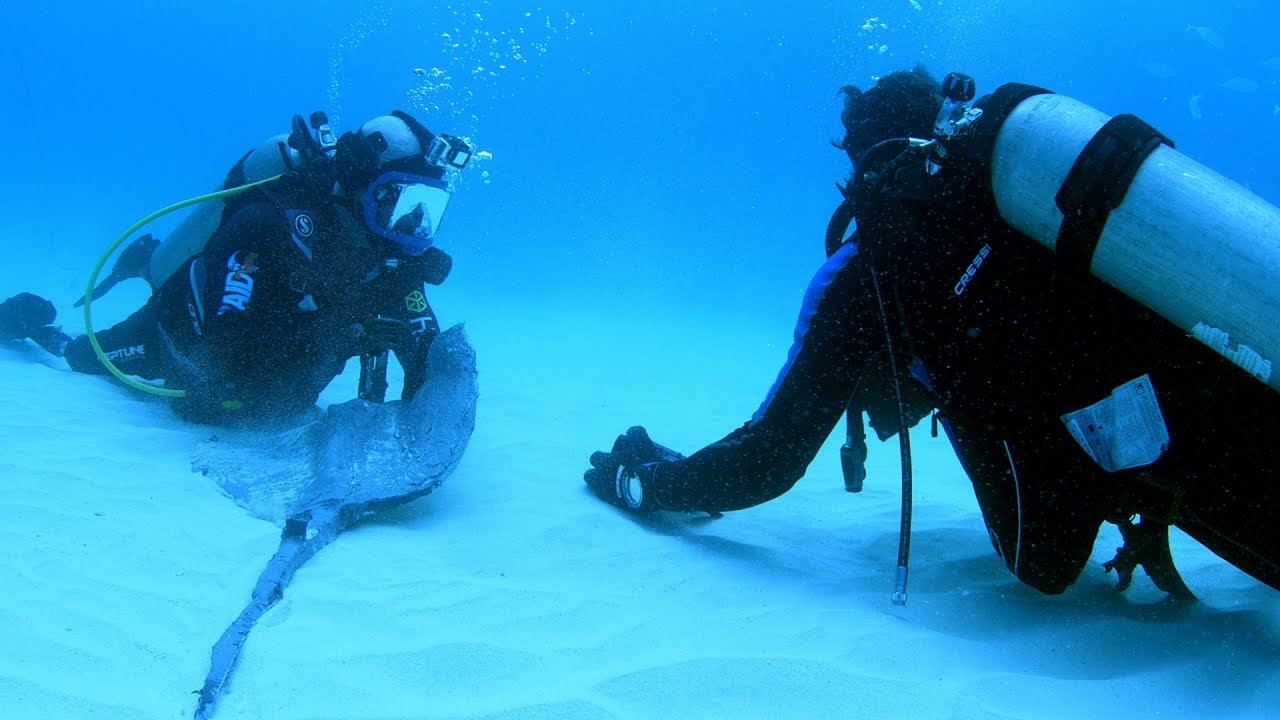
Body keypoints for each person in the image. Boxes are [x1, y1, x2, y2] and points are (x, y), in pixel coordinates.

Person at [583, 67, 1280, 599]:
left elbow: (773, 454)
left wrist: (646, 486)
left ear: (858, 160)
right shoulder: (1018, 203)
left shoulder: (876, 261)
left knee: (1039, 564)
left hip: (1112, 466)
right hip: (1219, 397)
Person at [0, 109, 471, 424]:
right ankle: (32, 323)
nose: (411, 227)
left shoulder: (384, 254)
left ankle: (142, 259)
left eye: (426, 210)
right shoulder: (267, 225)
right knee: (83, 357)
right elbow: (229, 356)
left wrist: (422, 392)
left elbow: (415, 343)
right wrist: (348, 332)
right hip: (183, 338)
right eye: (400, 203)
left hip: (281, 382)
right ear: (360, 185)